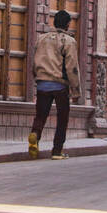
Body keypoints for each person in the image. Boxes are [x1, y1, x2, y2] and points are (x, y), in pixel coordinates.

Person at [29, 10, 81, 160]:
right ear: (67, 25)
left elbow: (34, 62)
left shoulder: (42, 39)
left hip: (42, 84)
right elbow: (72, 67)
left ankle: (35, 135)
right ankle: (57, 151)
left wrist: (38, 78)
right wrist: (75, 91)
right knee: (62, 118)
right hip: (59, 86)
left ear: (54, 22)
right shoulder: (69, 41)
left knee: (40, 116)